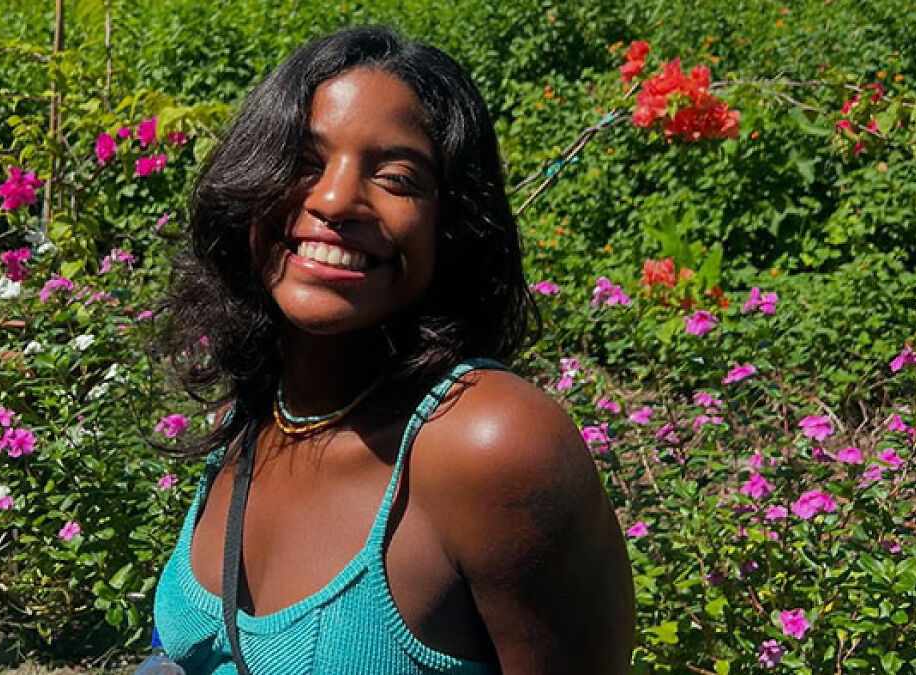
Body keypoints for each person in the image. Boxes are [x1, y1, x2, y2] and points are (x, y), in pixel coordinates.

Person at [153, 26, 634, 674]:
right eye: (302, 160)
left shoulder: (488, 447)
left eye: (398, 177)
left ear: (452, 227)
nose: (333, 200)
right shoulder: (248, 414)